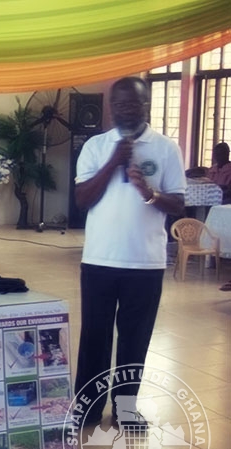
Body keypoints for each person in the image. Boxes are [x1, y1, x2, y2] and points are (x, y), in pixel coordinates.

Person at [73, 76, 186, 426]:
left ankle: (125, 410)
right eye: (118, 104)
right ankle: (87, 410)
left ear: (145, 105)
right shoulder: (95, 146)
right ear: (111, 108)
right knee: (95, 337)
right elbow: (82, 200)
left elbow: (177, 203)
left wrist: (150, 193)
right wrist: (112, 162)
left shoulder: (166, 148)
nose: (124, 110)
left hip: (146, 262)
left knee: (135, 340)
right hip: (99, 259)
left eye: (132, 104)